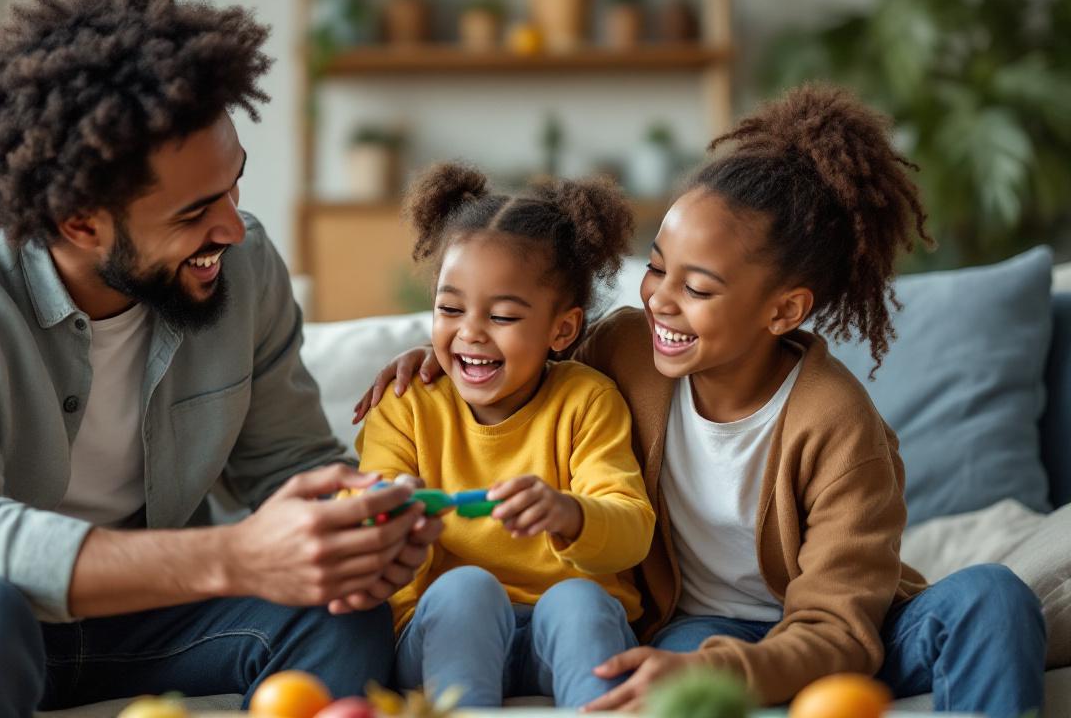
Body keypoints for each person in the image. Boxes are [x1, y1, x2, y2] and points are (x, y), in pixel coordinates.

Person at [0, 0, 440, 717]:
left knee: (340, 607)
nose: (233, 227)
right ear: (80, 221)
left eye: (235, 184)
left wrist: (362, 522)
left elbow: (289, 463)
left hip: (135, 623)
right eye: (195, 212)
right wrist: (233, 557)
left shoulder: (245, 262)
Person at [356, 86, 1046, 717]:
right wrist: (437, 361)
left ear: (784, 310)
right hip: (694, 630)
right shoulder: (624, 349)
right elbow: (522, 357)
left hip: (829, 637)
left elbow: (840, 629)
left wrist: (723, 671)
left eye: (699, 288)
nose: (659, 298)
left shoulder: (839, 425)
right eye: (657, 267)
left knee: (994, 595)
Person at [355, 163, 654, 707]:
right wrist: (394, 520)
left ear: (562, 329)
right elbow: (367, 531)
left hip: (557, 638)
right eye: (450, 309)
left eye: (504, 316)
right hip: (441, 636)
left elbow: (633, 530)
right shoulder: (407, 405)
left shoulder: (587, 400)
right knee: (467, 589)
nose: (469, 331)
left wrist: (570, 513)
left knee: (580, 602)